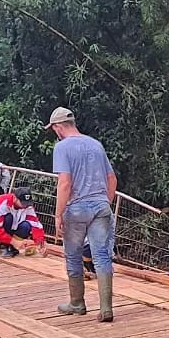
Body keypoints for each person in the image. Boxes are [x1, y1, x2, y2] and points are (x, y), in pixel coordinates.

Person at [46, 106, 117, 322]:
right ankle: (106, 308)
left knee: (73, 254)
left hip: (76, 208)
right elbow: (112, 179)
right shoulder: (95, 144)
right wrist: (106, 202)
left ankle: (77, 303)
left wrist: (58, 215)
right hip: (101, 206)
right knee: (102, 255)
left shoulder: (63, 147)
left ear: (58, 127)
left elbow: (65, 182)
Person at [0, 190, 45, 257]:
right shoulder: (1, 202)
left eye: (27, 203)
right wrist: (14, 242)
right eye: (23, 203)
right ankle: (4, 247)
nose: (25, 206)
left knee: (26, 226)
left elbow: (36, 225)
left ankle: (13, 247)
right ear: (14, 198)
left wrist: (39, 242)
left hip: (13, 226)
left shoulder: (28, 206)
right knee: (8, 218)